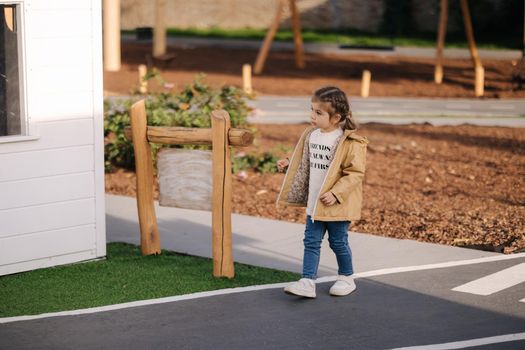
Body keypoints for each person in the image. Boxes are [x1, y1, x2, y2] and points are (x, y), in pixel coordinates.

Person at [276, 86, 368, 298]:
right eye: (312, 110)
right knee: (311, 242)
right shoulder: (311, 135)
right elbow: (305, 162)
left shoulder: (348, 142)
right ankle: (307, 281)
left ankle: (346, 277)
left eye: (318, 113)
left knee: (338, 242)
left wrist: (336, 193)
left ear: (336, 117)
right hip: (314, 204)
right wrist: (289, 164)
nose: (312, 116)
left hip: (336, 204)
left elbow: (354, 173)